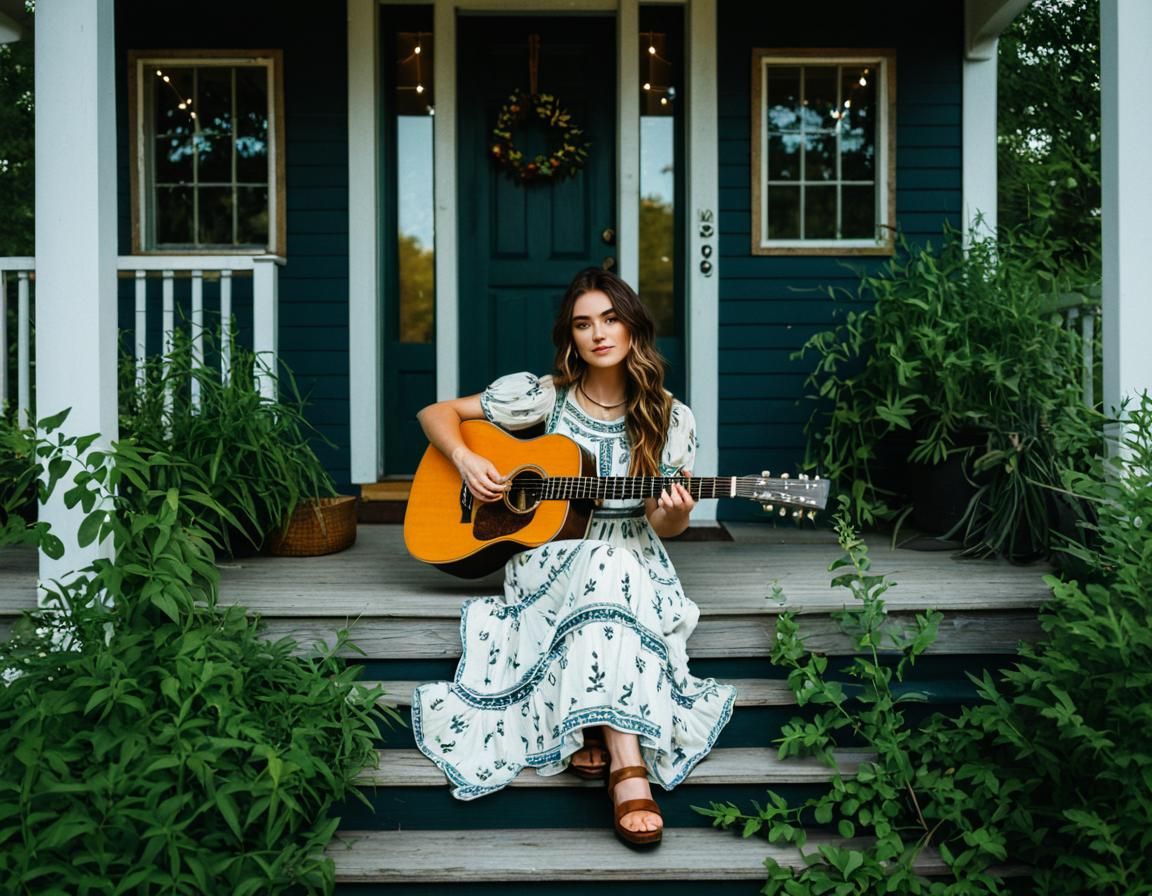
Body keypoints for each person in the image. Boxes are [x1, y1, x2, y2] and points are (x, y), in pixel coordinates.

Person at [411, 267, 736, 849]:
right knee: (597, 565)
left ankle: (595, 731)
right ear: (572, 337)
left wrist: (678, 511)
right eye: (584, 323)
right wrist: (465, 459)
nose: (599, 334)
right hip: (547, 558)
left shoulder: (669, 416)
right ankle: (628, 770)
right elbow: (435, 414)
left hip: (634, 556)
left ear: (634, 328)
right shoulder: (541, 397)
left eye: (611, 319)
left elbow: (666, 525)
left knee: (610, 566)